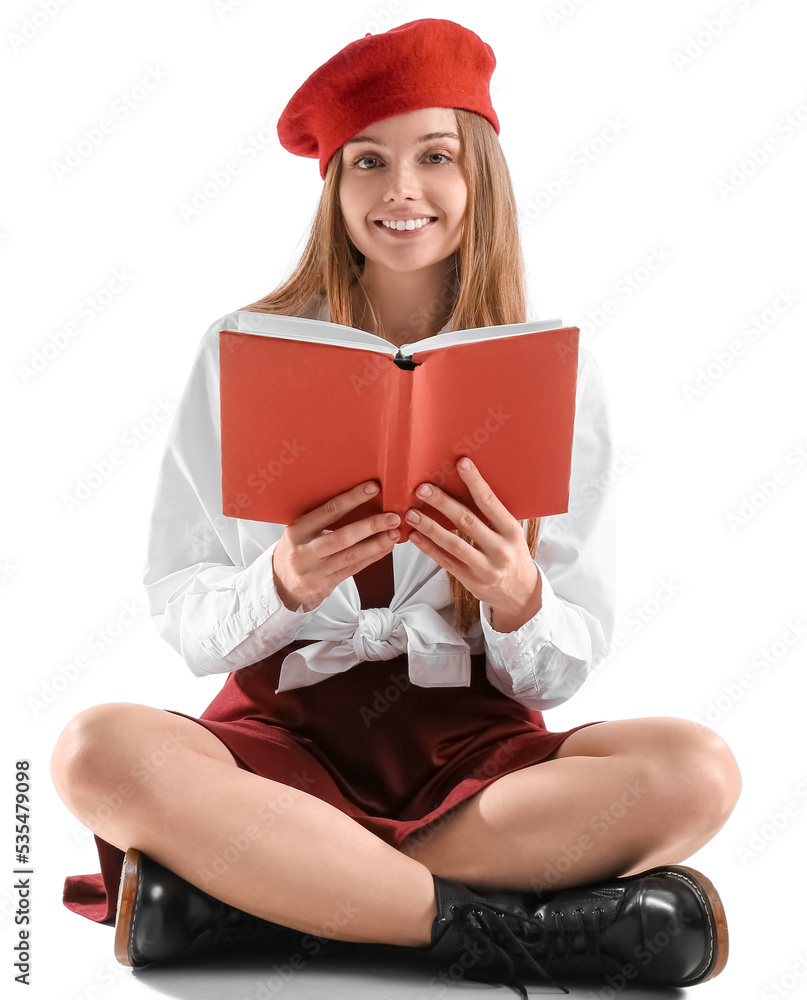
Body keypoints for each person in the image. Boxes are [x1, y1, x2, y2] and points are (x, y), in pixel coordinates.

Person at [49, 18, 742, 998]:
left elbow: (569, 657)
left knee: (698, 769)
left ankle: (269, 898)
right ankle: (491, 934)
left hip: (476, 753)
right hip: (278, 743)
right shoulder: (242, 348)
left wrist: (516, 594)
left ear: (480, 179)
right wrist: (281, 581)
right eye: (367, 160)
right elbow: (188, 619)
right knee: (95, 750)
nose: (401, 190)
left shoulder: (553, 370)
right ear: (334, 186)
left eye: (435, 157)